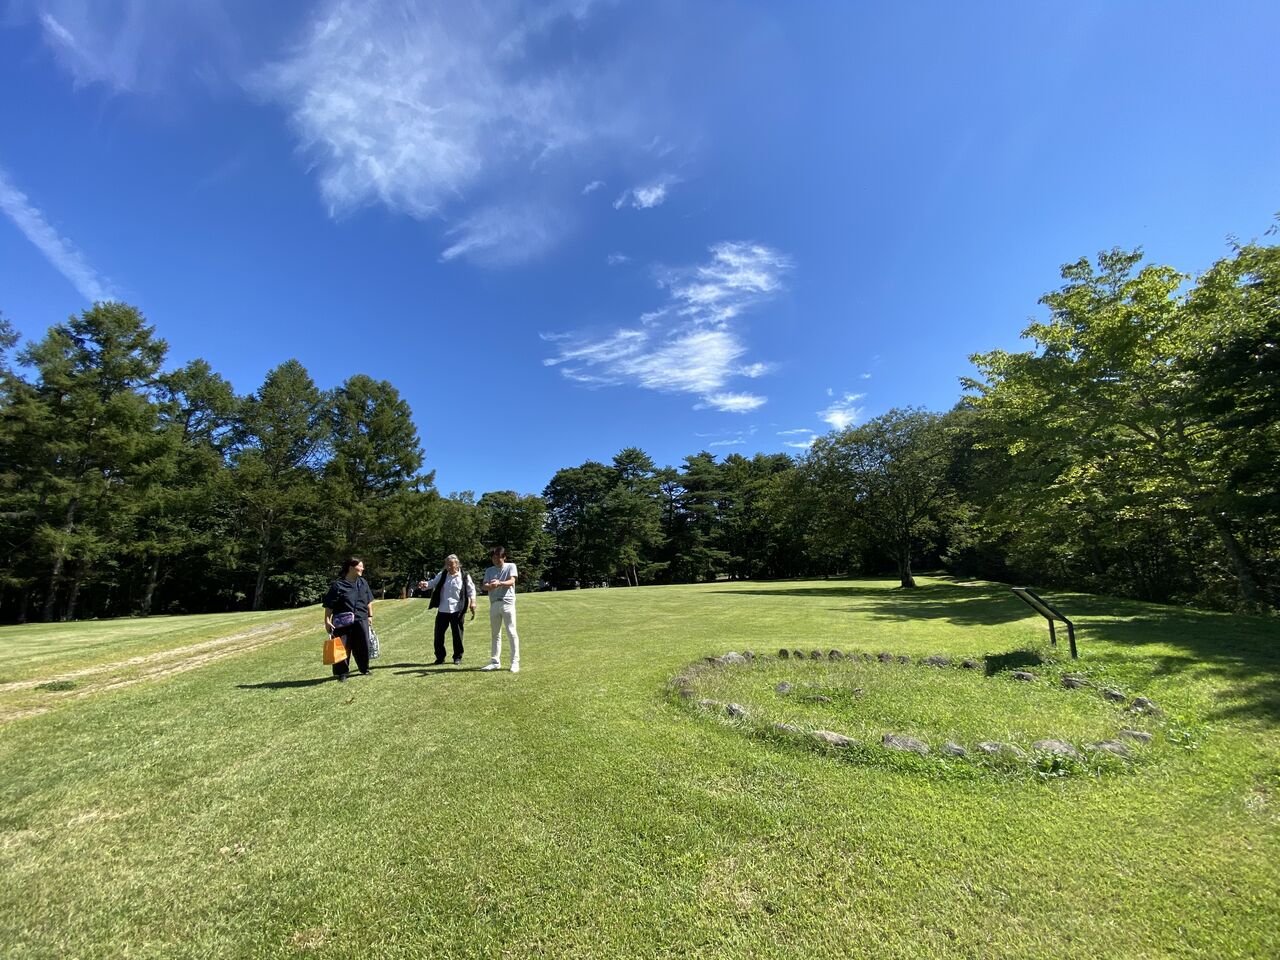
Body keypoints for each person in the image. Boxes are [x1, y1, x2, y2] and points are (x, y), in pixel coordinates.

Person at [418, 554, 476, 666]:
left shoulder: (464, 576)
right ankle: (440, 657)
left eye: (451, 564)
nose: (449, 567)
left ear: (457, 564)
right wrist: (425, 584)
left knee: (457, 635)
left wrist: (473, 602)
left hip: (457, 610)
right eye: (447, 564)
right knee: (438, 635)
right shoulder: (443, 574)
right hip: (443, 609)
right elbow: (433, 583)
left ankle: (457, 657)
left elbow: (471, 590)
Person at [323, 557, 375, 682]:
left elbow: (368, 600)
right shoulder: (338, 585)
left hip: (361, 619)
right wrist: (327, 620)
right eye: (360, 566)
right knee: (342, 647)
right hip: (342, 621)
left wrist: (370, 616)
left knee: (362, 645)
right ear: (351, 568)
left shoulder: (363, 582)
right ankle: (342, 673)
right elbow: (329, 605)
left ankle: (364, 668)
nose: (362, 568)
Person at [481, 545, 520, 672]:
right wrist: (490, 586)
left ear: (504, 557)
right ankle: (495, 662)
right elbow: (484, 586)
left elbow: (512, 581)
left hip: (507, 603)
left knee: (511, 632)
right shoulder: (489, 570)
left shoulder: (511, 566)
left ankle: (515, 662)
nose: (496, 560)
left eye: (498, 558)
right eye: (494, 558)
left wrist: (499, 583)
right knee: (495, 634)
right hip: (494, 603)